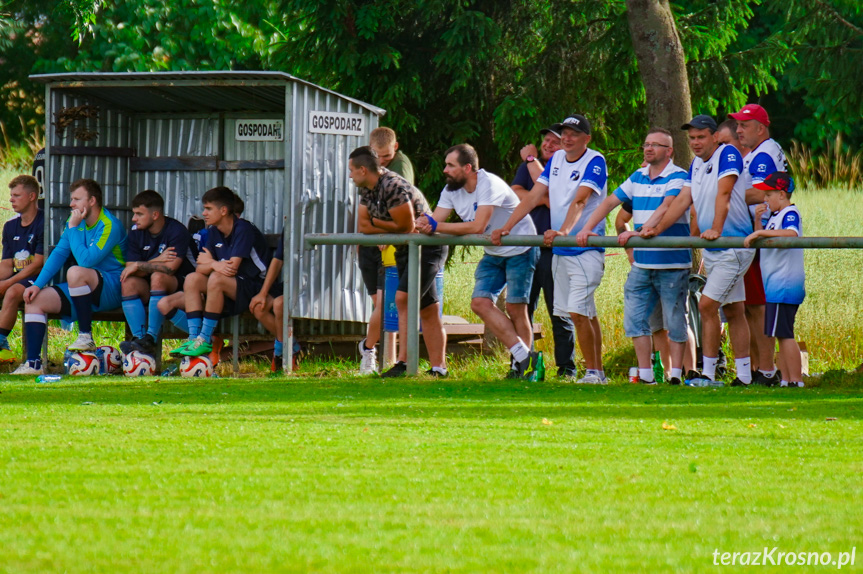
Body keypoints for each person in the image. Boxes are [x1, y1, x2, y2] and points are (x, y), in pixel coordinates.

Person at [493, 114, 608, 384]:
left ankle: (592, 372)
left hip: (585, 246)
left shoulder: (595, 160)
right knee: (583, 312)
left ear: (587, 139)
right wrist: (507, 226)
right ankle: (598, 372)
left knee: (579, 311)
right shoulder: (556, 160)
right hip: (561, 251)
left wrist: (564, 231)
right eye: (564, 133)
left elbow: (581, 200)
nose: (567, 138)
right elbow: (533, 196)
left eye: (573, 134)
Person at [643, 115, 754, 386]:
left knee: (706, 306)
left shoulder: (727, 153)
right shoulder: (696, 164)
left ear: (715, 136)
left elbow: (724, 193)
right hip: (714, 249)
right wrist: (656, 229)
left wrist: (715, 228)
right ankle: (744, 377)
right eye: (691, 138)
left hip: (731, 245)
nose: (695, 142)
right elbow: (682, 201)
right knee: (735, 311)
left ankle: (708, 374)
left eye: (701, 137)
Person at [576, 128, 690, 385]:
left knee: (674, 321)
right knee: (636, 318)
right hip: (643, 262)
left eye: (655, 145)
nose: (648, 148)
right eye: (646, 144)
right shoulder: (638, 176)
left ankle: (676, 375)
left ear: (669, 151)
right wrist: (586, 228)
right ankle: (646, 374)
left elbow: (667, 206)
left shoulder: (678, 176)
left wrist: (640, 231)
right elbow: (608, 203)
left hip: (672, 262)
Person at [417, 144, 539, 378]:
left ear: (468, 168)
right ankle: (525, 357)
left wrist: (434, 226)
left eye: (450, 165)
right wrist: (421, 224)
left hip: (521, 249)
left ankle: (520, 369)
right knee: (479, 303)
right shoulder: (451, 189)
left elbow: (478, 226)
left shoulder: (489, 184)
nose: (445, 170)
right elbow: (435, 220)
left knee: (515, 308)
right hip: (493, 252)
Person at [349, 145, 448, 377]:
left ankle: (404, 363)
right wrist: (383, 225)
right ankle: (439, 369)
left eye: (352, 170)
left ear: (363, 170)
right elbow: (363, 227)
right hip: (405, 249)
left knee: (403, 299)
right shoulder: (366, 189)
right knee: (429, 309)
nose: (350, 175)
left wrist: (376, 223)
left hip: (426, 248)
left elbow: (406, 226)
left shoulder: (393, 185)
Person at [12, 178, 127, 375]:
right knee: (35, 299)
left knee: (75, 272)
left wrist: (73, 228)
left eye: (76, 199)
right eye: (71, 199)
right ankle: (33, 363)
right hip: (83, 286)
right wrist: (37, 285)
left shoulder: (109, 225)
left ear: (91, 201)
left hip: (112, 287)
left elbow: (86, 261)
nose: (71, 204)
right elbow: (58, 254)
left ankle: (85, 335)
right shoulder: (74, 222)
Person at [166, 186, 270, 358]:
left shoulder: (242, 229)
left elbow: (231, 268)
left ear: (223, 210)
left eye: (208, 209)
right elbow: (200, 267)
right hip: (229, 286)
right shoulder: (214, 231)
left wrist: (212, 264)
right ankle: (194, 338)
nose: (204, 213)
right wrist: (215, 265)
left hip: (255, 287)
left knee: (216, 278)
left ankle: (205, 339)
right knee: (192, 278)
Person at [511, 125, 577, 377]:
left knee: (558, 308)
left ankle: (566, 367)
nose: (548, 145)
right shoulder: (528, 168)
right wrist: (539, 198)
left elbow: (553, 193)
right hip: (526, 249)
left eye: (555, 142)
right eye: (546, 140)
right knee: (521, 308)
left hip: (554, 249)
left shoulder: (564, 169)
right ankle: (521, 363)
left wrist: (530, 161)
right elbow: (516, 195)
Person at [730, 104, 788, 385]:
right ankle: (758, 368)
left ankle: (766, 370)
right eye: (737, 125)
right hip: (761, 235)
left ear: (760, 128)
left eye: (744, 125)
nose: (738, 130)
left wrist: (723, 193)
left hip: (762, 236)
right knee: (753, 304)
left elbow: (760, 193)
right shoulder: (761, 152)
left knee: (759, 305)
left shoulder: (762, 155)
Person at [356, 127, 416, 374]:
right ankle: (381, 357)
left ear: (396, 148)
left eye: (386, 158)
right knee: (381, 304)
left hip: (389, 246)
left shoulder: (399, 172)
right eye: (377, 157)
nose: (381, 162)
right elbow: (362, 219)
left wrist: (385, 234)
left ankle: (371, 351)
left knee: (387, 303)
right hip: (372, 245)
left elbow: (402, 213)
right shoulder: (365, 175)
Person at [743, 172, 805, 387]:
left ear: (781, 193)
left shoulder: (789, 213)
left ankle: (795, 380)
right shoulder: (774, 218)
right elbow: (764, 234)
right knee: (780, 333)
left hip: (785, 283)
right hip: (773, 286)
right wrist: (759, 223)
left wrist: (759, 234)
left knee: (785, 334)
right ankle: (786, 378)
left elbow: (791, 233)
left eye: (768, 194)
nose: (765, 199)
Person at [119, 190, 197, 356]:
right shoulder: (136, 231)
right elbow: (131, 269)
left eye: (139, 214)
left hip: (185, 286)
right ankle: (139, 340)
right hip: (154, 288)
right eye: (134, 214)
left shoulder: (176, 231)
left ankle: (151, 338)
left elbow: (171, 268)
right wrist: (158, 259)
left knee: (158, 276)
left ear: (155, 214)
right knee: (128, 281)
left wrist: (141, 265)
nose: (134, 219)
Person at [0, 175, 45, 362]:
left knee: (12, 292)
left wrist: (7, 283)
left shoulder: (44, 223)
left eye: (17, 195)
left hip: (41, 278)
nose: (11, 199)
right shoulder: (10, 226)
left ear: (32, 196)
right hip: (18, 277)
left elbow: (39, 264)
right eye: (11, 195)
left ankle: (1, 341)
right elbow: (7, 264)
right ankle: (4, 348)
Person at [250, 230, 286, 373]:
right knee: (258, 307)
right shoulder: (290, 225)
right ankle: (292, 347)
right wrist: (263, 293)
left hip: (316, 288)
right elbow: (278, 260)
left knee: (279, 305)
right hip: (291, 285)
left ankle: (279, 355)